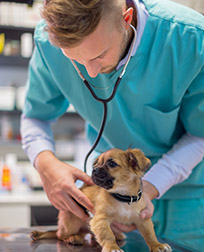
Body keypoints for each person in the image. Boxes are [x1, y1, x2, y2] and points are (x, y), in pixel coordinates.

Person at [20, 0, 204, 250]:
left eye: (99, 55)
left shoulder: (190, 40)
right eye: (75, 59)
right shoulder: (47, 40)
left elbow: (200, 134)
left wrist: (145, 189)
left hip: (187, 200)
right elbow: (35, 117)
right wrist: (45, 163)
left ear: (126, 20)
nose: (92, 73)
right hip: (107, 194)